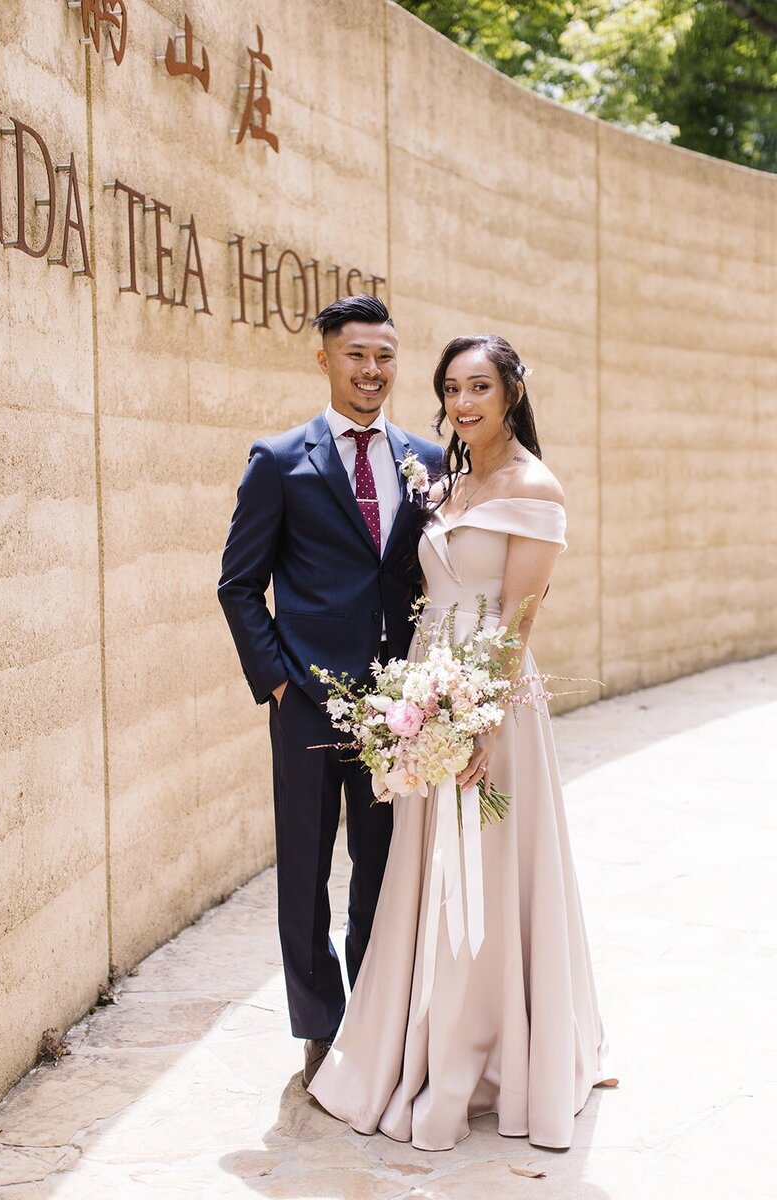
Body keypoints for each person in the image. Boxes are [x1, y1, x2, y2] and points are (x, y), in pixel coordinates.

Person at [309, 333, 617, 1150]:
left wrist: (480, 721)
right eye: (451, 388)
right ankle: (418, 1038)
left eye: (479, 386)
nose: (463, 402)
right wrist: (414, 704)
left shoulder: (535, 487)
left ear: (512, 391)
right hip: (426, 689)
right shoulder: (447, 484)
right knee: (427, 865)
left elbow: (518, 621)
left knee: (488, 863)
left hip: (492, 700)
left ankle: (489, 1048)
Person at [217, 295, 444, 1089]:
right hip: (308, 704)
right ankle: (319, 1027)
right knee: (305, 869)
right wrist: (280, 683)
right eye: (356, 355)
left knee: (383, 868)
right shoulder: (281, 461)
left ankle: (375, 1023)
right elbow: (238, 585)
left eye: (384, 355)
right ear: (325, 359)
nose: (372, 370)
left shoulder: (428, 460)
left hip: (401, 708)